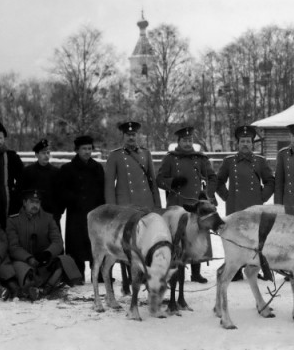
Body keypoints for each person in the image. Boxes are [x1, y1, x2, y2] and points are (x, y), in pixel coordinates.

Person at [157, 126, 217, 283]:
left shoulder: (200, 158)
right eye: (184, 140)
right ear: (178, 141)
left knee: (198, 235)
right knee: (176, 237)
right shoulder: (170, 158)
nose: (188, 143)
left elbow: (212, 177)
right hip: (177, 204)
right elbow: (159, 179)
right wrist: (173, 182)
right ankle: (175, 270)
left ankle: (196, 271)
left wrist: (207, 195)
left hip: (197, 204)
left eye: (190, 140)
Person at [216, 125, 275, 281]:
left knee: (256, 238)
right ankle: (235, 269)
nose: (245, 144)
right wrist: (226, 196)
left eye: (248, 141)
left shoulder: (260, 161)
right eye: (242, 141)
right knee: (235, 238)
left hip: (255, 207)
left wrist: (262, 197)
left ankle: (255, 268)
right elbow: (219, 181)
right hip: (234, 205)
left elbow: (270, 181)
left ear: (252, 144)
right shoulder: (229, 161)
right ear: (238, 144)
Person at [7, 190, 82, 299]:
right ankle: (30, 288)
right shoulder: (13, 221)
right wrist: (28, 258)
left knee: (65, 261)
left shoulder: (48, 218)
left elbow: (57, 241)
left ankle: (47, 288)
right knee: (23, 270)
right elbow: (13, 247)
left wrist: (47, 254)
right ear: (24, 202)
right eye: (32, 202)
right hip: (24, 262)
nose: (35, 205)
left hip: (44, 262)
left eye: (37, 202)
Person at [57, 135, 105, 280]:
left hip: (94, 214)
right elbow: (62, 191)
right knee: (76, 245)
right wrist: (73, 200)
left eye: (89, 148)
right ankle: (77, 274)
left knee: (96, 244)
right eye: (84, 149)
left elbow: (102, 190)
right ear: (77, 150)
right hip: (76, 214)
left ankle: (99, 275)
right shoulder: (67, 169)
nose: (87, 152)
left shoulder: (97, 168)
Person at [104, 121, 161, 209]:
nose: (131, 137)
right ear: (123, 136)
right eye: (128, 135)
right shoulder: (115, 155)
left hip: (146, 203)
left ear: (137, 136)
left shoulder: (146, 153)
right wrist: (111, 209)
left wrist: (158, 205)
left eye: (133, 135)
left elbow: (153, 181)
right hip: (125, 204)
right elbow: (109, 187)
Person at [17, 139, 63, 230]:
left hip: (51, 217)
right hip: (32, 216)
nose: (46, 156)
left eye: (48, 153)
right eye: (43, 153)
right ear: (37, 155)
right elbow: (20, 193)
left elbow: (61, 195)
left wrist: (57, 213)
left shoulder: (57, 172)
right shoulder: (27, 172)